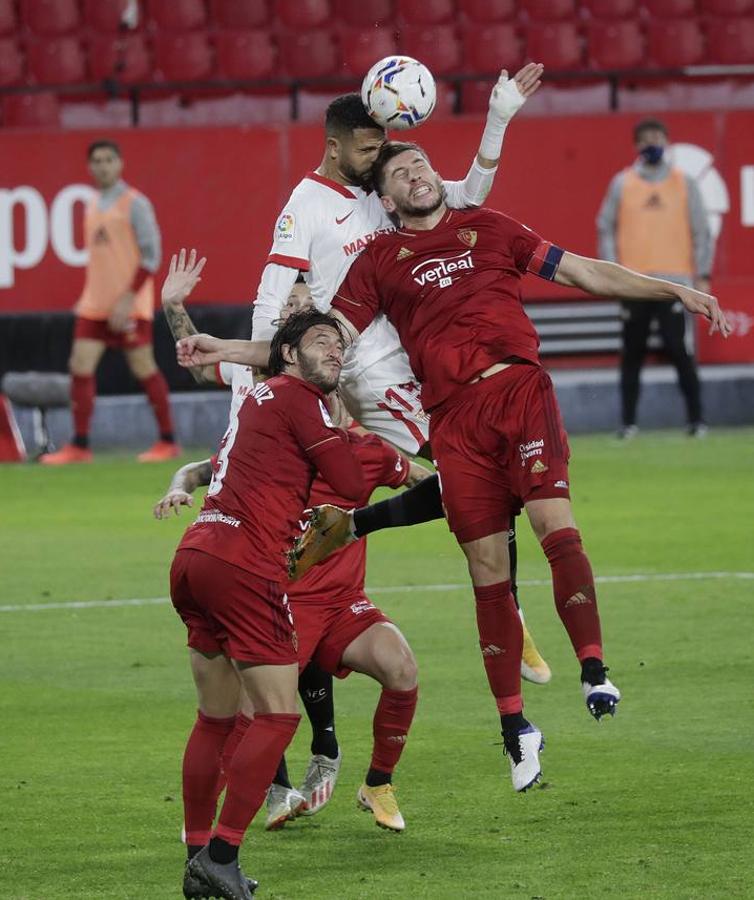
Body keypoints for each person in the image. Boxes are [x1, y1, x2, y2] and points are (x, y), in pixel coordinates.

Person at [181, 143, 729, 794]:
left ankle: (593, 668)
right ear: (385, 200)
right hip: (455, 421)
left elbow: (584, 271)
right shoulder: (380, 262)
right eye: (399, 174)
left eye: (420, 167)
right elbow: (318, 348)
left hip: (520, 393)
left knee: (555, 524)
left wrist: (673, 290)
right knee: (486, 570)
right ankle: (515, 730)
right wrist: (231, 350)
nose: (416, 176)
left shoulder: (491, 228)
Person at [172, 71, 554, 696]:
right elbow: (273, 297)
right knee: (443, 483)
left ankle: (505, 607)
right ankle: (272, 667)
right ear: (335, 146)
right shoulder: (305, 207)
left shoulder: (381, 192)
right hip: (357, 367)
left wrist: (498, 121)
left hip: (403, 363)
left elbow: (470, 193)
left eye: (385, 147)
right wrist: (268, 380)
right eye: (370, 149)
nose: (381, 159)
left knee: (481, 480)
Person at [168, 291, 365, 898]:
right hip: (246, 567)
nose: (334, 351)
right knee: (278, 716)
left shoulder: (255, 400)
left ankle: (199, 852)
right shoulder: (298, 397)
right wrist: (343, 424)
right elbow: (352, 483)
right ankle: (223, 855)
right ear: (286, 354)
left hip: (196, 553)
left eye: (340, 345)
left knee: (215, 718)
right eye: (320, 344)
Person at [157, 412, 430, 834]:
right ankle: (210, 815)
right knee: (250, 716)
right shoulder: (271, 450)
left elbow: (420, 477)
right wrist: (177, 488)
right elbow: (199, 470)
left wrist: (470, 491)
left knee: (402, 668)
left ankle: (378, 783)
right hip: (282, 602)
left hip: (343, 602)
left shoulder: (368, 453)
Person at [40, 139, 180, 465]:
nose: (102, 166)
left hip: (128, 304)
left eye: (108, 159)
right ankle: (80, 444)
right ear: (89, 167)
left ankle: (168, 441)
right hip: (94, 304)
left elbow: (151, 256)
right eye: (97, 161)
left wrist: (127, 298)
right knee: (79, 365)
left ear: (120, 164)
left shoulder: (135, 204)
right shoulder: (92, 204)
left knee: (143, 366)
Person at [596, 118, 713, 439]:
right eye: (645, 139)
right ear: (636, 146)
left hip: (675, 284)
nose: (652, 144)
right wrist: (612, 273)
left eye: (657, 138)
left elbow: (702, 231)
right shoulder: (623, 183)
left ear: (667, 140)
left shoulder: (683, 182)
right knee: (632, 353)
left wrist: (701, 273)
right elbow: (605, 227)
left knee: (679, 350)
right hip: (633, 282)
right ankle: (628, 423)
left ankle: (697, 420)